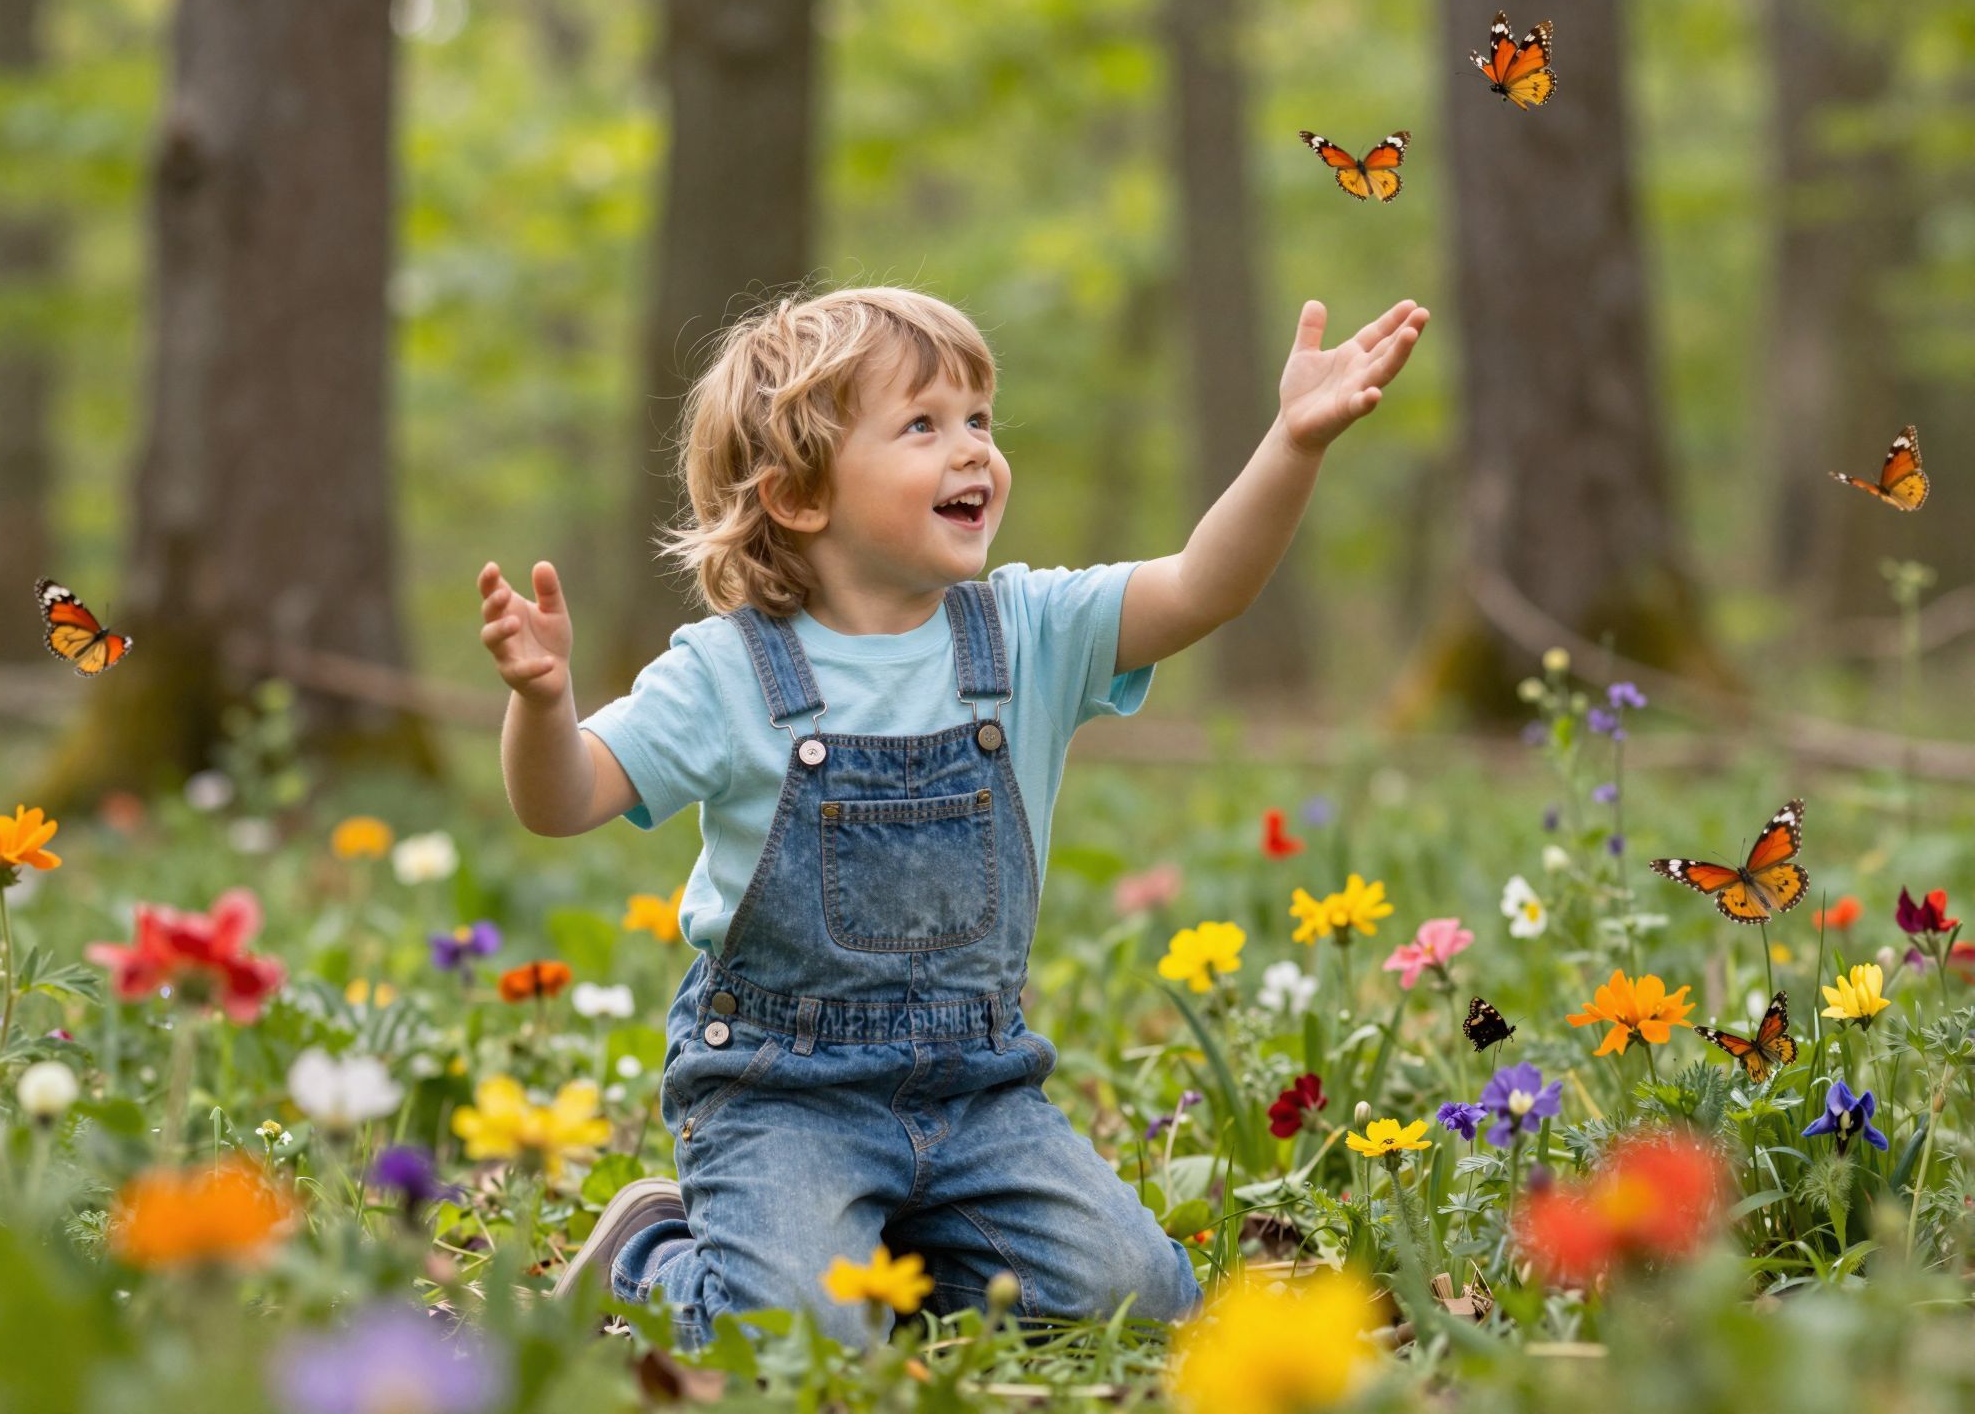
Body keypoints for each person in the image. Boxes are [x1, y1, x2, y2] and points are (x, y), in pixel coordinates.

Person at [478, 285, 1427, 1347]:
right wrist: (542, 702)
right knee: (791, 1345)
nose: (972, 449)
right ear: (796, 495)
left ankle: (892, 1259)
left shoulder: (1028, 631)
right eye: (922, 426)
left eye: (978, 418)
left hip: (979, 1095)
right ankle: (651, 1259)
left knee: (1139, 1304)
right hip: (781, 1097)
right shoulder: (727, 670)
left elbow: (1205, 584)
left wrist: (1291, 443)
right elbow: (562, 801)